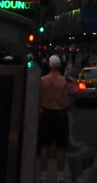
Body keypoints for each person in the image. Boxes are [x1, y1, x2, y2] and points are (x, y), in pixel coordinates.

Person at [38, 55, 76, 183]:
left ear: (49, 65)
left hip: (47, 114)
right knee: (61, 147)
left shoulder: (42, 80)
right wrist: (73, 82)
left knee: (44, 145)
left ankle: (43, 175)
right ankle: (60, 176)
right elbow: (74, 92)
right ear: (60, 66)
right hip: (61, 115)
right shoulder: (64, 81)